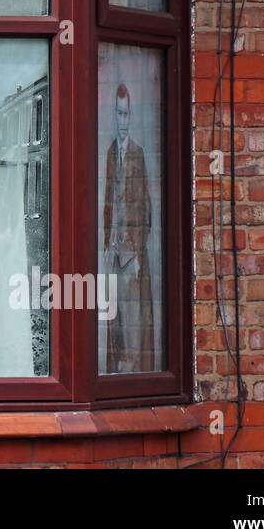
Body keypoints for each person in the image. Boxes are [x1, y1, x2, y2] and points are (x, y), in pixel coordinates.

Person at [103, 82, 154, 373]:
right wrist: (106, 245)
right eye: (118, 115)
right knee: (115, 317)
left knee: (133, 318)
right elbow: (109, 201)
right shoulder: (111, 153)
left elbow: (144, 208)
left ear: (131, 117)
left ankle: (134, 372)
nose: (122, 121)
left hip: (131, 254)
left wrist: (136, 250)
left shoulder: (137, 153)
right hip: (113, 252)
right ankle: (116, 371)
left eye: (126, 115)